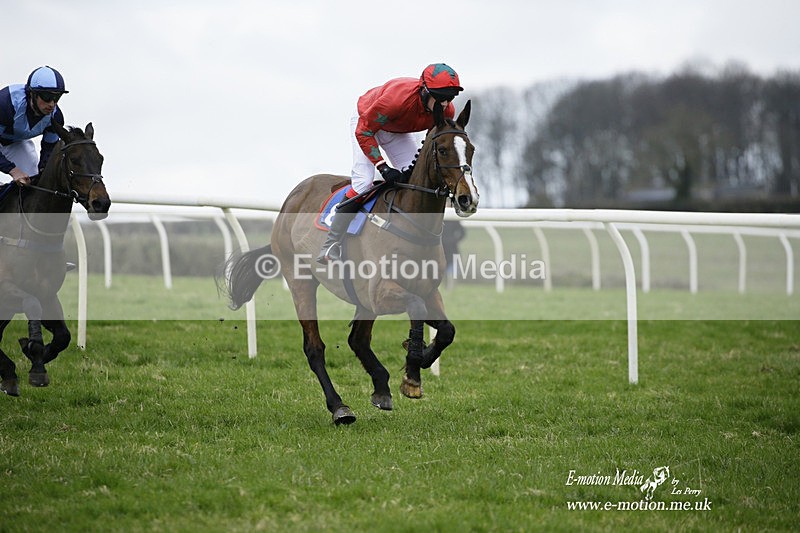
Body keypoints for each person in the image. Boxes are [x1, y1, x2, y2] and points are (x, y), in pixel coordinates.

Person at [317, 63, 464, 263]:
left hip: (396, 130)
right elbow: (364, 131)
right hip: (366, 123)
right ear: (424, 91)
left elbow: (432, 145)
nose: (446, 104)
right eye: (441, 97)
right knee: (363, 183)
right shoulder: (396, 100)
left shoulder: (446, 112)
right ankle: (331, 243)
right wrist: (383, 167)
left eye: (450, 97)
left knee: (414, 180)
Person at [0, 66, 68, 187]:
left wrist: (42, 171)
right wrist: (13, 170)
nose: (52, 104)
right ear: (32, 94)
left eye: (57, 97)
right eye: (47, 97)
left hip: (14, 143)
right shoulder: (6, 104)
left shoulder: (56, 117)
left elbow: (49, 149)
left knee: (33, 180)